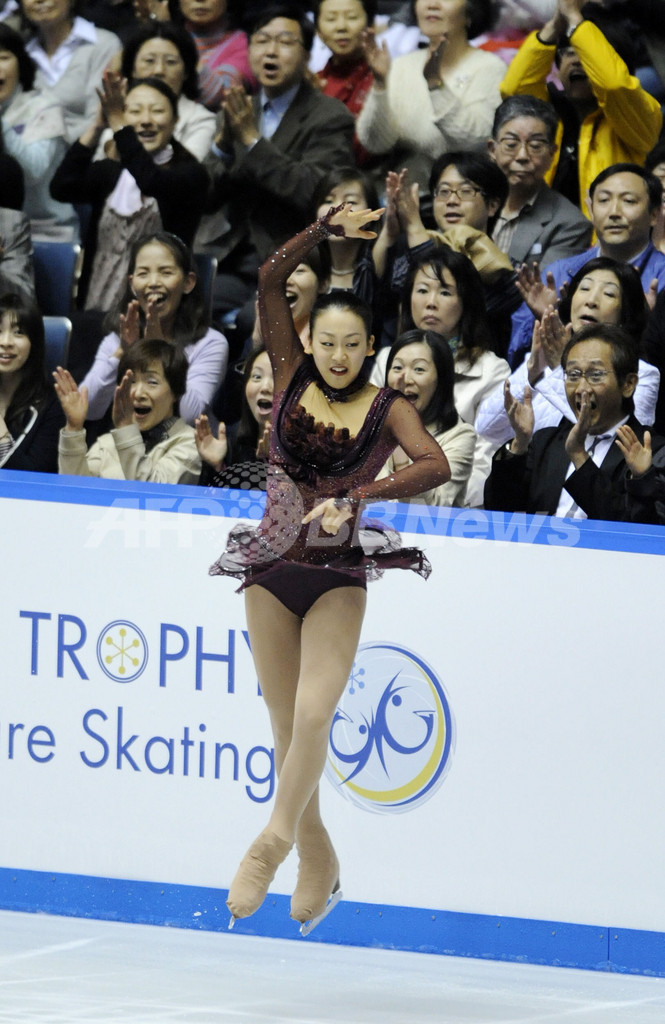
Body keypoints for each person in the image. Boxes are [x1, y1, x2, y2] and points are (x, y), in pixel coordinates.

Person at [209, 203, 450, 933]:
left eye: (353, 345)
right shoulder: (286, 374)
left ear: (371, 345)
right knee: (287, 733)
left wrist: (357, 494)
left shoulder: (387, 409)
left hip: (338, 570)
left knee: (315, 715)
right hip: (270, 564)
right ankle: (320, 858)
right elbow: (271, 277)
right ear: (310, 338)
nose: (338, 356)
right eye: (328, 342)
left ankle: (274, 840)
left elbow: (434, 466)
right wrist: (322, 230)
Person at [198, 3, 355, 323]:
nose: (271, 51)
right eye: (262, 40)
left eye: (284, 42)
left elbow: (315, 191)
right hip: (235, 258)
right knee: (182, 310)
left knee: (249, 322)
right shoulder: (240, 108)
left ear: (308, 56)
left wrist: (252, 142)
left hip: (294, 262)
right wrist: (223, 146)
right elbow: (204, 196)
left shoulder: (329, 116)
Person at [50, 72, 209, 312]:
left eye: (157, 111)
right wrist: (97, 126)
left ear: (176, 120)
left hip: (161, 313)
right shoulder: (110, 172)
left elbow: (151, 181)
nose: (145, 120)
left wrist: (120, 126)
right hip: (96, 303)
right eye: (134, 112)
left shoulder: (190, 173)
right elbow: (62, 187)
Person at [484, 323, 665, 522]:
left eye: (595, 375)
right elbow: (498, 508)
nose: (581, 388)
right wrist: (519, 443)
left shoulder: (654, 452)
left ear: (628, 384)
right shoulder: (546, 441)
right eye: (573, 375)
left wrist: (579, 456)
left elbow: (640, 533)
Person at [371, 247, 510, 506]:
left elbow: (483, 461)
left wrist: (451, 507)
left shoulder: (492, 370)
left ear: (466, 302)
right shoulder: (386, 360)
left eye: (445, 292)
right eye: (422, 290)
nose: (431, 302)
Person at [477, 256, 659, 446]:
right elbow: (487, 429)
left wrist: (561, 367)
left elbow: (619, 442)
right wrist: (531, 373)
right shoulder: (543, 361)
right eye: (585, 288)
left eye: (609, 294)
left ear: (625, 313)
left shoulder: (643, 374)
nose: (591, 301)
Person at [500, 0, 662, 209]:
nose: (576, 61)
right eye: (568, 52)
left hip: (609, 238)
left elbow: (614, 85)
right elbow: (513, 92)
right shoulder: (551, 115)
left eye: (585, 52)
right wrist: (555, 25)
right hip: (547, 237)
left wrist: (576, 20)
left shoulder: (641, 115)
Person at [506, 163, 665, 369]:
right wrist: (549, 320)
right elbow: (514, 356)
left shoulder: (662, 279)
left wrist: (644, 326)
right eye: (604, 200)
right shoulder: (560, 273)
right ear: (590, 209)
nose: (614, 212)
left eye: (628, 201)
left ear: (654, 214)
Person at [80, 231, 228, 428]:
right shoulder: (119, 339)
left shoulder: (210, 343)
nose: (153, 283)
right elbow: (88, 409)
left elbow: (189, 416)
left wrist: (161, 354)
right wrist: (122, 353)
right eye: (143, 273)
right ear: (132, 284)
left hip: (182, 449)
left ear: (188, 282)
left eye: (166, 272)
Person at [356, 0, 505, 188]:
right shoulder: (402, 65)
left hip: (464, 195)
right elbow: (375, 143)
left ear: (471, 13)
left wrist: (436, 86)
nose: (432, 4)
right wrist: (379, 84)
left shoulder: (489, 68)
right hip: (404, 194)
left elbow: (474, 140)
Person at [54, 337, 201, 482]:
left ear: (176, 392)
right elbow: (73, 490)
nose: (137, 393)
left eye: (152, 382)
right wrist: (74, 429)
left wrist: (125, 430)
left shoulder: (190, 443)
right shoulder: (109, 442)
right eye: (131, 382)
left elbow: (149, 495)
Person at [488, 95, 592, 269]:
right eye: (511, 144)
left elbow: (542, 290)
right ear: (492, 149)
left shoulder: (570, 224)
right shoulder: (469, 200)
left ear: (552, 153)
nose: (522, 156)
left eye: (535, 146)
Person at [94, 21, 216, 163]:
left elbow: (184, 180)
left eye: (170, 62)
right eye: (149, 61)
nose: (159, 71)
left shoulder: (200, 120)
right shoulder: (119, 112)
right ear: (133, 69)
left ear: (186, 71)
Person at [0, 22, 78, 241]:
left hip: (47, 233)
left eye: (4, 58)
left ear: (21, 63)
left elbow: (33, 171)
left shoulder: (45, 107)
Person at [382, 328, 475, 505]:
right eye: (397, 367)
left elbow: (429, 510)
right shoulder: (367, 426)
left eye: (418, 369)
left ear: (441, 380)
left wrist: (402, 452)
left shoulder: (460, 436)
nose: (405, 378)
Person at [14, 0, 121, 144]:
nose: (40, 1)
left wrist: (51, 151)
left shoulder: (103, 45)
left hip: (88, 155)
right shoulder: (18, 53)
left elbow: (98, 119)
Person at [0, 292, 64, 472]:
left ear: (34, 343)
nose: (6, 342)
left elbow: (33, 481)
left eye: (18, 332)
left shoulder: (52, 406)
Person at [196, 345, 272, 491]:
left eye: (277, 377)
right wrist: (216, 467)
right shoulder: (232, 442)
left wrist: (276, 464)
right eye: (256, 377)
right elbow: (208, 507)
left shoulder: (309, 449)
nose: (265, 387)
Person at [314, 0, 377, 167]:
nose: (341, 27)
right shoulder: (312, 83)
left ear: (371, 25)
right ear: (318, 31)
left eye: (352, 17)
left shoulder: (385, 80)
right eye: (331, 19)